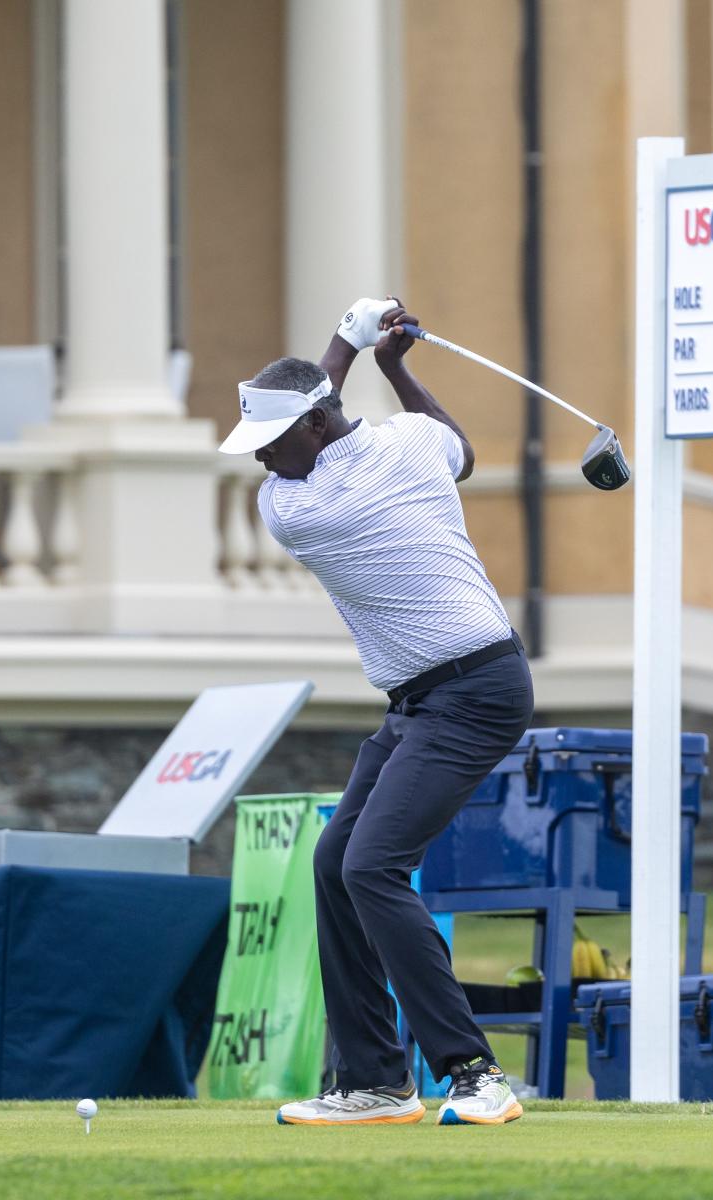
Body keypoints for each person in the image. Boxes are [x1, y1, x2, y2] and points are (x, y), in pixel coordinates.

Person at [218, 297, 535, 1126]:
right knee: (334, 863)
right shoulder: (407, 444)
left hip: (474, 693)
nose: (260, 465)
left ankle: (473, 1074)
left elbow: (325, 400)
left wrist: (350, 344)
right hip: (423, 699)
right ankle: (374, 1083)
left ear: (315, 431)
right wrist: (392, 364)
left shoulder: (304, 508)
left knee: (372, 866)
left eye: (270, 445)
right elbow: (457, 450)